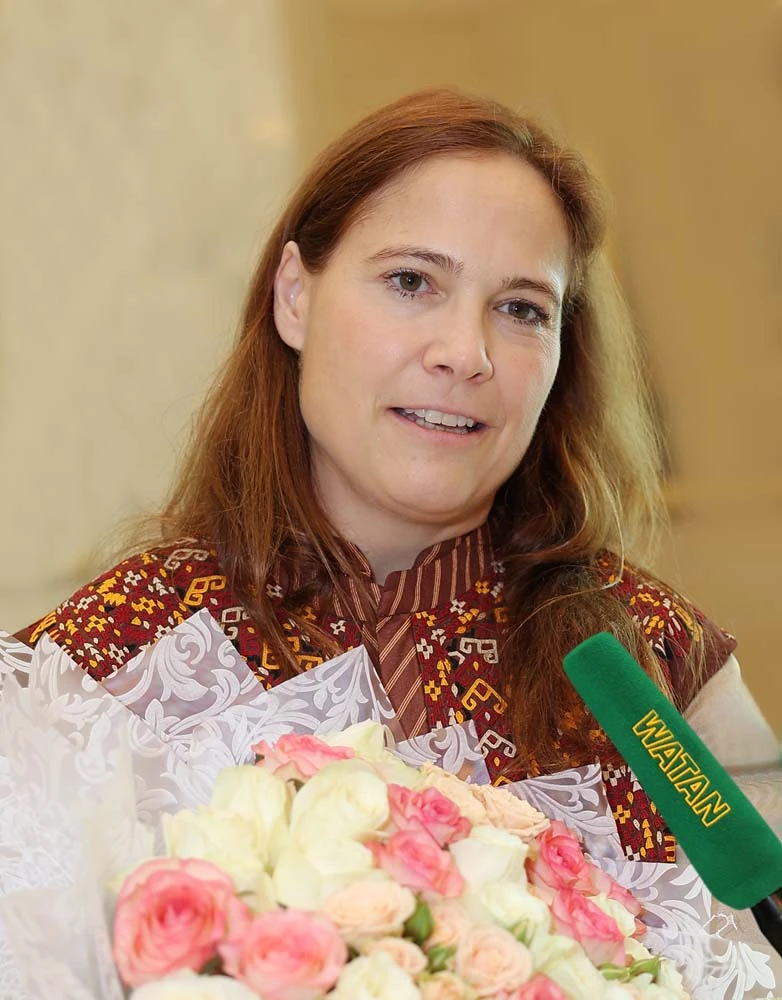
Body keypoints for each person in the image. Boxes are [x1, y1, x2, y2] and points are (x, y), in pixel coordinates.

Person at [15, 88, 776, 866]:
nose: (465, 352)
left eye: (521, 310)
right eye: (412, 282)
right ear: (294, 297)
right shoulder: (120, 652)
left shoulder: (650, 661)